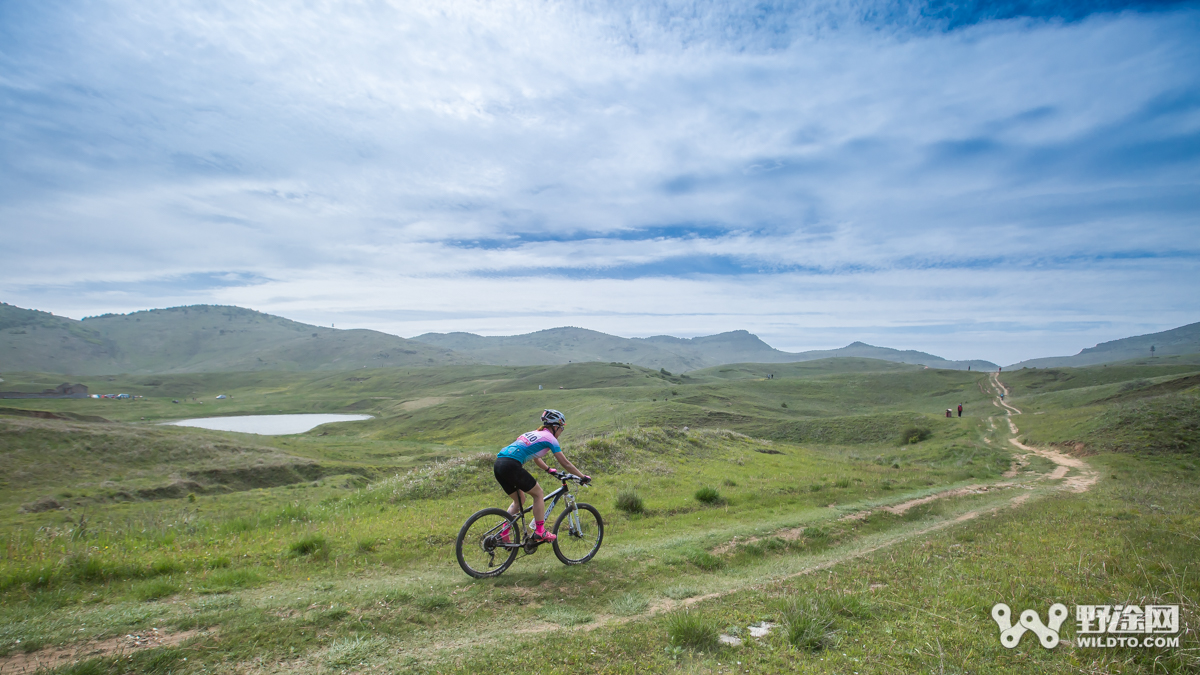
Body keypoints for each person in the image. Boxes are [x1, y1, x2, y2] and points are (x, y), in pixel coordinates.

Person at [493, 409, 588, 543]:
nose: (561, 431)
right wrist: (582, 476)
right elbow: (565, 463)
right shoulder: (551, 439)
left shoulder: (534, 433)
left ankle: (503, 533)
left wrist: (549, 470)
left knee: (519, 499)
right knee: (538, 494)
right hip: (511, 465)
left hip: (499, 464)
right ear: (555, 427)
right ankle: (540, 531)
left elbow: (536, 457)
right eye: (562, 428)